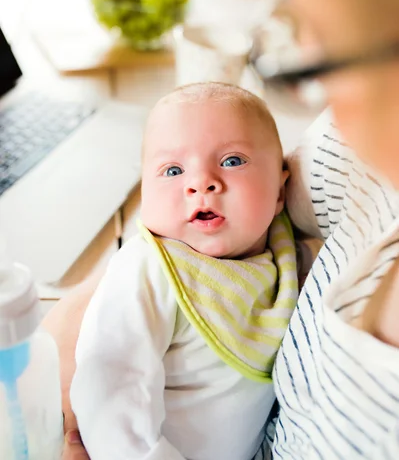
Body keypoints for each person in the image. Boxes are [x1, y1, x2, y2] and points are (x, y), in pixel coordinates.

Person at [46, 0, 399, 457]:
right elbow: (114, 391)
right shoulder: (162, 268)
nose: (202, 185)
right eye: (173, 171)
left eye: (317, 44)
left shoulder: (274, 250)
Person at [68, 82, 298, 460]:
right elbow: (110, 384)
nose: (201, 183)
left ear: (279, 193)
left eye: (232, 160)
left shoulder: (282, 254)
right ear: (144, 194)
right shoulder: (151, 268)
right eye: (172, 170)